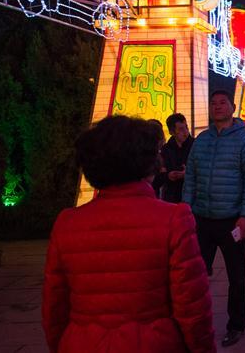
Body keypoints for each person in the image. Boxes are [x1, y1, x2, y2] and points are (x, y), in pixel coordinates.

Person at [42, 116, 213, 353]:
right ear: (147, 161)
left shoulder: (67, 223)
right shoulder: (174, 219)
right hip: (154, 343)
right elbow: (192, 308)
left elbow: (54, 308)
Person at [183, 90, 245, 348]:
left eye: (222, 103)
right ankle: (194, 322)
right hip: (201, 219)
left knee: (236, 275)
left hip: (231, 220)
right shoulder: (202, 140)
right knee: (193, 274)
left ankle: (236, 324)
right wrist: (186, 210)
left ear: (233, 106)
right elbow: (191, 177)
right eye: (213, 103)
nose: (217, 107)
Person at [153, 113, 193, 203]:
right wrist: (168, 176)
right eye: (181, 129)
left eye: (186, 127)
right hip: (171, 196)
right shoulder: (165, 149)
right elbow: (158, 176)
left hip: (191, 195)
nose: (186, 132)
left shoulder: (195, 145)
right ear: (172, 132)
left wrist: (187, 174)